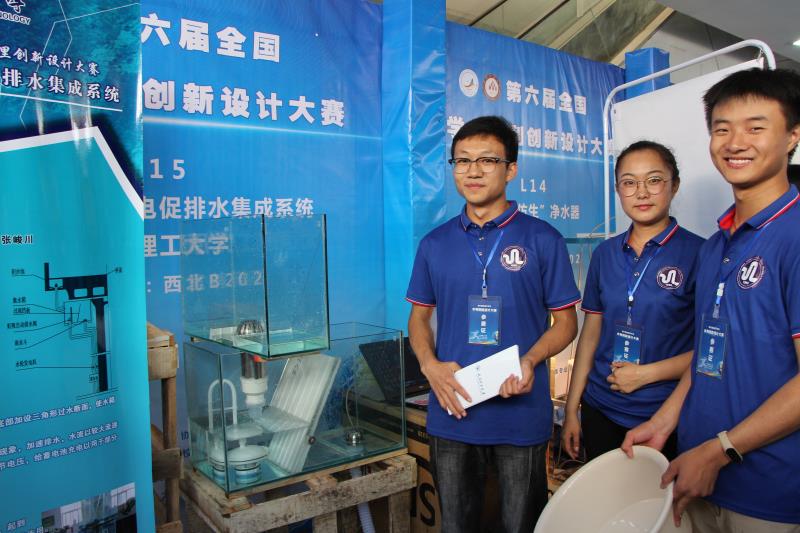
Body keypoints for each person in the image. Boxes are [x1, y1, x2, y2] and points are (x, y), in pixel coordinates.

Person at [622, 68, 800, 532]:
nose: (735, 142)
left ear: (792, 136)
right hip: (695, 474)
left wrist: (722, 449)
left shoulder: (794, 236)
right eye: (722, 129)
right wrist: (666, 420)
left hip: (768, 491)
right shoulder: (716, 245)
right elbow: (708, 353)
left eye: (755, 128)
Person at [406, 115, 579, 533]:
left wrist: (531, 360)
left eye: (487, 160)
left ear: (511, 169)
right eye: (462, 161)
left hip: (520, 415)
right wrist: (430, 366)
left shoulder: (543, 239)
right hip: (453, 412)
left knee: (521, 524)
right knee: (456, 526)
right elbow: (418, 318)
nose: (473, 171)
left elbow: (566, 323)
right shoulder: (434, 244)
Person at [562, 141, 704, 462]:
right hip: (600, 407)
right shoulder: (604, 254)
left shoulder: (701, 253)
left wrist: (647, 374)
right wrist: (572, 408)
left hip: (666, 414)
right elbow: (591, 336)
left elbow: (712, 351)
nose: (641, 192)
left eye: (653, 180)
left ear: (674, 185)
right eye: (629, 183)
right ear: (618, 190)